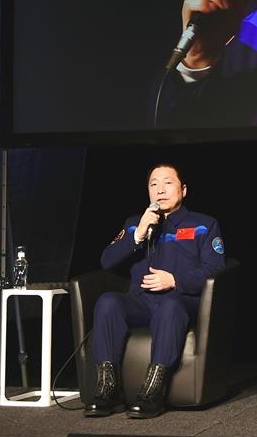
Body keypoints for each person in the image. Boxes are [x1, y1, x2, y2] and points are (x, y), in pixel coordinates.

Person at [84, 164, 226, 419]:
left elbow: (215, 268)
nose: (160, 189)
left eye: (167, 183)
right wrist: (137, 234)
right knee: (108, 302)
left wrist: (175, 280)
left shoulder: (204, 224)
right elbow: (106, 262)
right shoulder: (134, 224)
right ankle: (108, 390)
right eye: (153, 184)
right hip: (141, 303)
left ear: (183, 190)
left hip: (181, 302)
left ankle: (152, 392)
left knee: (170, 306)